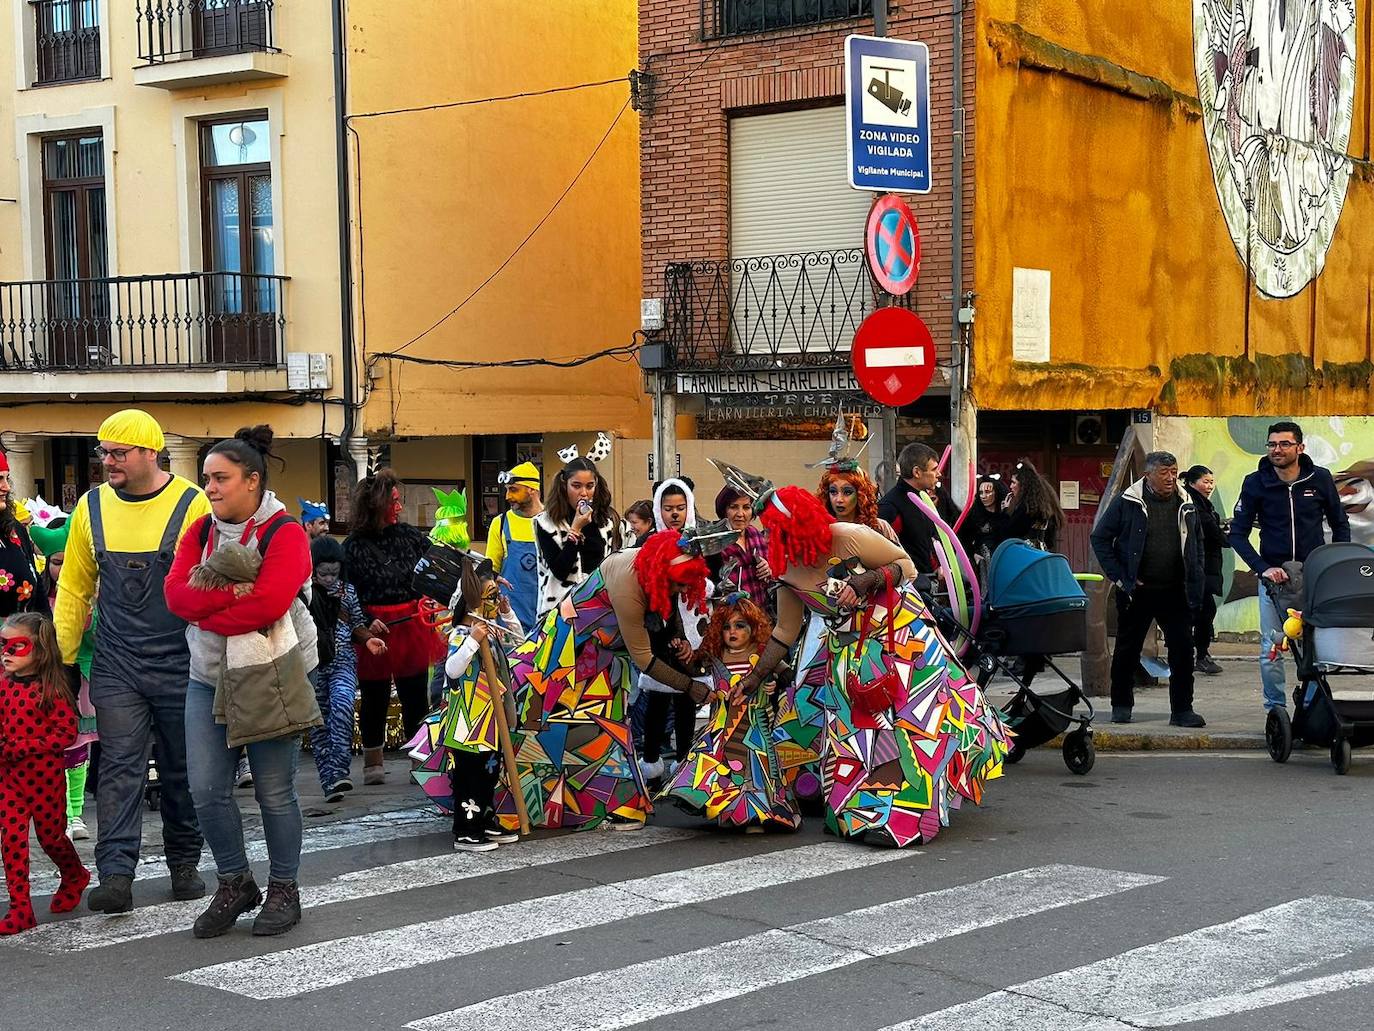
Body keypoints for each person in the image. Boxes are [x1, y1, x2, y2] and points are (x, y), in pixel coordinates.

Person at [714, 466, 1010, 847]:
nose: (773, 535)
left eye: (779, 528)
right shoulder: (785, 567)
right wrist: (753, 679)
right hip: (847, 652)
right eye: (770, 529)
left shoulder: (848, 536)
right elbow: (785, 632)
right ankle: (858, 811)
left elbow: (906, 566)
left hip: (899, 640)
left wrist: (865, 581)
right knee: (853, 734)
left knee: (900, 732)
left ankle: (902, 813)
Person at [164, 426, 319, 939]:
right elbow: (176, 599)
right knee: (206, 790)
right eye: (206, 477)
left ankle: (283, 888)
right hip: (206, 676)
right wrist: (234, 601)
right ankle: (235, 882)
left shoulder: (286, 533)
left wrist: (212, 608)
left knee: (275, 792)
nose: (209, 487)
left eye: (221, 478)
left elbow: (270, 605)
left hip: (268, 675)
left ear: (252, 481)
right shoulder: (199, 532)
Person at [54, 409, 209, 915]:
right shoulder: (91, 506)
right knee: (119, 768)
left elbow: (208, 583)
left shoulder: (192, 503)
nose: (108, 462)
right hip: (117, 663)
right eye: (104, 452)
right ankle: (116, 874)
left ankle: (184, 863)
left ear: (149, 452)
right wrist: (63, 658)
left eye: (119, 453)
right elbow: (74, 586)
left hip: (180, 661)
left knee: (180, 767)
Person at [495, 527, 714, 831]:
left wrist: (678, 637)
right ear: (662, 574)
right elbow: (645, 660)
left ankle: (610, 803)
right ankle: (529, 801)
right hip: (569, 653)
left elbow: (667, 607)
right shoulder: (628, 585)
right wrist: (690, 687)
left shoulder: (652, 567)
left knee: (601, 728)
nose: (679, 590)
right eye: (677, 584)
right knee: (548, 725)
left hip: (603, 658)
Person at [1228, 421, 1350, 713]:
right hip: (1275, 578)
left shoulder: (1319, 479)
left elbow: (1339, 523)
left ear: (1300, 447)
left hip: (1314, 577)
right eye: (1272, 444)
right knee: (1272, 649)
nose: (1277, 450)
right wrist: (1262, 568)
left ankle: (1310, 709)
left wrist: (1333, 563)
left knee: (1314, 649)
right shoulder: (1255, 482)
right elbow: (1237, 534)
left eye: (1284, 444)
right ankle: (1276, 711)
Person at [660, 592, 798, 831]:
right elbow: (693, 666)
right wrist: (681, 651)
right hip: (721, 727)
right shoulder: (715, 655)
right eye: (726, 627)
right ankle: (725, 810)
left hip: (756, 728)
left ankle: (755, 815)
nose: (732, 632)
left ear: (754, 627)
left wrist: (772, 682)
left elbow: (788, 674)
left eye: (740, 626)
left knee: (752, 774)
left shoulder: (765, 654)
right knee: (721, 768)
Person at [343, 469, 447, 785]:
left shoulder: (410, 536)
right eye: (394, 502)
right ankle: (373, 762)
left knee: (414, 695)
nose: (399, 508)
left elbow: (436, 566)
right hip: (374, 628)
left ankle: (418, 760)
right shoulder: (353, 546)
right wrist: (362, 622)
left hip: (411, 625)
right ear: (376, 506)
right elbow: (347, 591)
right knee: (374, 696)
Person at [1090, 451, 1207, 728]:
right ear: (1148, 475)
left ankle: (1182, 709)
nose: (1170, 478)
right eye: (1163, 473)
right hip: (1137, 590)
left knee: (1182, 649)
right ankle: (1121, 705)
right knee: (1127, 650)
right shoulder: (1128, 502)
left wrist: (1197, 576)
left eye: (1173, 472)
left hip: (1175, 589)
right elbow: (1100, 538)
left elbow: (1197, 544)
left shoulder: (1186, 502)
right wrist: (1121, 577)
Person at [0, 612, 90, 934]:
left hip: (44, 779)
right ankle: (20, 907)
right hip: (9, 779)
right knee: (11, 838)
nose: (6, 652)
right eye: (3, 644)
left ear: (39, 650)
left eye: (16, 646)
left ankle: (75, 874)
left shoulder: (51, 689)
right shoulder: (3, 684)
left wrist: (24, 746)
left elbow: (66, 733)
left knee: (51, 838)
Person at [437, 552, 523, 852]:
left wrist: (507, 612)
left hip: (491, 721)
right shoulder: (463, 633)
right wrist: (472, 641)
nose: (492, 603)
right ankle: (466, 828)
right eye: (490, 597)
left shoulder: (490, 630)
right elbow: (452, 669)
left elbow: (519, 642)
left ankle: (486, 819)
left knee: (489, 774)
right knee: (468, 778)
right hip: (467, 725)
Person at [31, 521, 98, 842]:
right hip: (46, 684)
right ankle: (54, 811)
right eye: (57, 563)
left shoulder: (95, 594)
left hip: (82, 680)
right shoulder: (38, 598)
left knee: (77, 746)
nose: (63, 569)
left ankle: (75, 812)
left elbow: (98, 637)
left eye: (69, 561)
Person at [637, 478, 707, 783]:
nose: (674, 514)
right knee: (657, 697)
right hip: (659, 628)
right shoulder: (647, 543)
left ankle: (683, 760)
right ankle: (650, 761)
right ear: (658, 510)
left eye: (680, 507)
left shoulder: (699, 541)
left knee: (686, 700)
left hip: (693, 626)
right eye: (668, 508)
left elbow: (707, 580)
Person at [306, 536, 385, 802]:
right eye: (323, 573)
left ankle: (340, 769)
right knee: (318, 724)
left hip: (343, 663)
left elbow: (357, 624)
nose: (329, 578)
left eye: (334, 572)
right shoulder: (302, 592)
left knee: (342, 705)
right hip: (312, 666)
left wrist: (368, 639)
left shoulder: (347, 592)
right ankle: (330, 781)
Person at [533, 455, 624, 618]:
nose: (584, 493)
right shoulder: (546, 522)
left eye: (590, 486)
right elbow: (560, 571)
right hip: (559, 612)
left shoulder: (607, 521)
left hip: (599, 610)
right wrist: (575, 529)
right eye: (576, 486)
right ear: (564, 486)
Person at [484, 462, 543, 634]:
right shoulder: (500, 524)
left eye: (514, 490)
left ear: (532, 489)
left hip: (547, 620)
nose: (508, 496)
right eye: (507, 490)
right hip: (510, 622)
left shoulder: (553, 522)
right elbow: (489, 574)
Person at [1183, 465, 1229, 676]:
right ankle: (1199, 655)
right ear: (1192, 483)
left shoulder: (1202, 504)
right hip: (1198, 568)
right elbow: (1215, 535)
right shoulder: (1194, 506)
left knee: (1201, 611)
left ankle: (1196, 654)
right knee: (1202, 611)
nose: (1209, 486)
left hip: (1205, 567)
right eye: (1205, 482)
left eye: (1211, 482)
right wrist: (1226, 534)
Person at [878, 442, 943, 574]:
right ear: (917, 472)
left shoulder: (922, 499)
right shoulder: (890, 506)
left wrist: (937, 566)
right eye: (934, 469)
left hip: (928, 580)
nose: (939, 474)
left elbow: (927, 541)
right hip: (907, 585)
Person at [0, 452, 49, 618]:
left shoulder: (15, 531)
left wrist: (47, 631)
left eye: (7, 479)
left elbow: (38, 586)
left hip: (26, 637)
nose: (6, 487)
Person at [711, 486, 771, 611]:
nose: (740, 514)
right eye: (733, 507)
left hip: (762, 614)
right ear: (724, 510)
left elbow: (772, 576)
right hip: (731, 618)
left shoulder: (755, 534)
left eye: (746, 507)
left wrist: (768, 569)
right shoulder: (714, 541)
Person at [818, 462, 900, 543]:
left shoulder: (879, 527)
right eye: (833, 492)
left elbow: (901, 556)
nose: (839, 499)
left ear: (860, 494)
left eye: (847, 492)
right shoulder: (820, 529)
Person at [1003, 461, 1065, 552]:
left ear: (1023, 485)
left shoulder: (1025, 508)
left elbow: (1008, 531)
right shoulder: (1044, 506)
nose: (1011, 486)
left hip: (1024, 554)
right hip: (1041, 554)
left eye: (1013, 482)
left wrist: (1005, 510)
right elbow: (1050, 539)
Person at [959, 475, 1010, 579]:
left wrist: (1005, 513)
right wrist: (972, 554)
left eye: (987, 492)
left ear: (997, 493)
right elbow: (962, 536)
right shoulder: (975, 514)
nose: (983, 496)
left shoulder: (1005, 513)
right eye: (981, 492)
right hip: (983, 562)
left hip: (1004, 560)